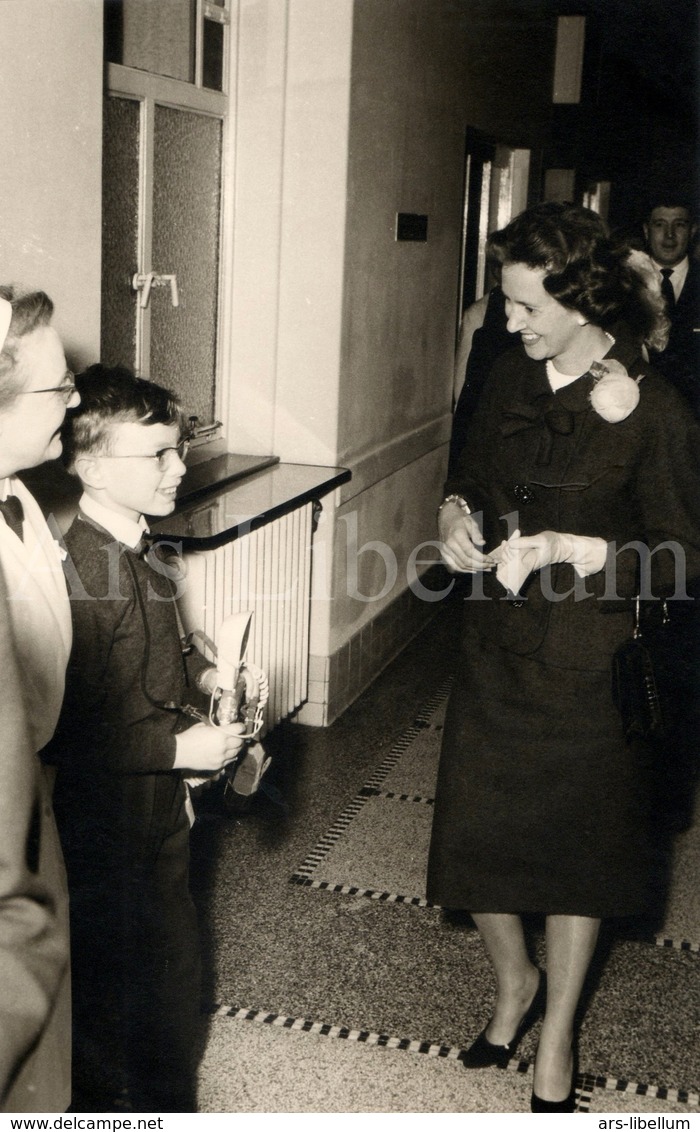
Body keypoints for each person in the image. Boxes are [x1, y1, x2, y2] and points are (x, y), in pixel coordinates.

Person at [427, 202, 700, 1112]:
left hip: (590, 659)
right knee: (476, 840)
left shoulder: (651, 408)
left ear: (583, 302)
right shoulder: (507, 375)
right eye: (504, 306)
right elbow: (465, 476)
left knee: (577, 857)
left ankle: (560, 1033)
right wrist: (454, 518)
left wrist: (580, 551)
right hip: (498, 646)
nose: (508, 325)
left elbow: (683, 559)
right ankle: (514, 984)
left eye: (524, 308)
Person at [47, 365, 245, 1112]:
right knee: (131, 1011)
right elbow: (65, 730)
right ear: (92, 466)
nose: (179, 466)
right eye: (157, 455)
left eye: (179, 447)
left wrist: (200, 675)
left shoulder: (140, 545)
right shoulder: (89, 567)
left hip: (152, 822)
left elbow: (154, 663)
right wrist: (177, 752)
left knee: (167, 984)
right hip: (107, 833)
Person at [0, 286, 77, 1112]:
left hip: (35, 796)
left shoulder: (21, 495)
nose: (77, 398)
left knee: (49, 1053)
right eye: (60, 388)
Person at [643, 196, 700, 414]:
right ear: (646, 230)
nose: (669, 235)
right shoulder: (625, 283)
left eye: (679, 225)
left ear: (693, 231)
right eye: (660, 225)